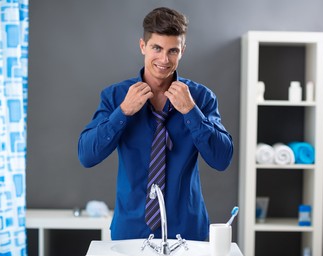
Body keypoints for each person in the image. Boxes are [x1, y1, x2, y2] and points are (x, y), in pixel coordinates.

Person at [78, 7, 233, 241]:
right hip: (130, 232)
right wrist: (122, 112)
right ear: (143, 46)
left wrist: (191, 112)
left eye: (173, 51)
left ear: (183, 51)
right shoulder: (116, 96)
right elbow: (87, 156)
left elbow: (222, 159)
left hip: (188, 232)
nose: (164, 59)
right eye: (156, 48)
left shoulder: (201, 98)